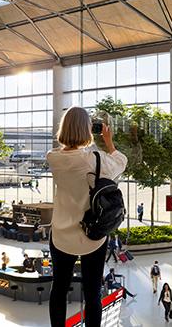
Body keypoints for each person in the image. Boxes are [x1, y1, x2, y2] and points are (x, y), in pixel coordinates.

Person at [48, 107, 127, 327]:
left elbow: (71, 156)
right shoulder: (94, 159)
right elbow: (121, 162)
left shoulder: (52, 157)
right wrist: (108, 142)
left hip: (61, 236)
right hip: (92, 236)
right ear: (87, 129)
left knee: (59, 289)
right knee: (92, 293)